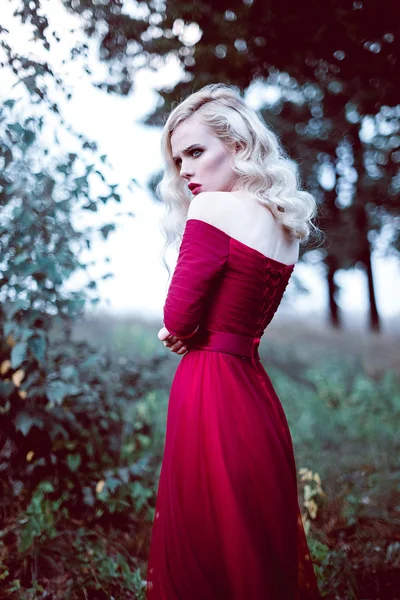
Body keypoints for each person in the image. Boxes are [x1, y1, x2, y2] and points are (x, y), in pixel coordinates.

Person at [146, 83, 322, 599]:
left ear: (239, 146)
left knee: (207, 542)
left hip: (210, 389)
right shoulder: (286, 228)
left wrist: (178, 331)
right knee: (252, 544)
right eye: (179, 160)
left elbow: (178, 317)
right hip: (255, 392)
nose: (186, 171)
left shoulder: (213, 211)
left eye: (197, 152)